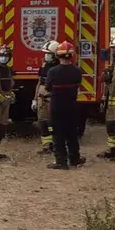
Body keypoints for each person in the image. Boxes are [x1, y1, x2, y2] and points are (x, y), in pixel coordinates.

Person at [46, 42, 86, 170]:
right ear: (72, 56)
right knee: (72, 134)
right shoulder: (77, 71)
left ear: (58, 55)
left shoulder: (52, 71)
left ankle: (61, 161)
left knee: (58, 135)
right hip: (72, 106)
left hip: (57, 107)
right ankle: (74, 159)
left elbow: (47, 87)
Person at [34, 40, 60, 154]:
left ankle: (55, 145)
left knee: (53, 122)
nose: (46, 56)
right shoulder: (44, 65)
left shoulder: (59, 68)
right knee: (42, 121)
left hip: (52, 98)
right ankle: (46, 146)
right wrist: (34, 99)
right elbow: (39, 82)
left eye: (48, 54)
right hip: (41, 98)